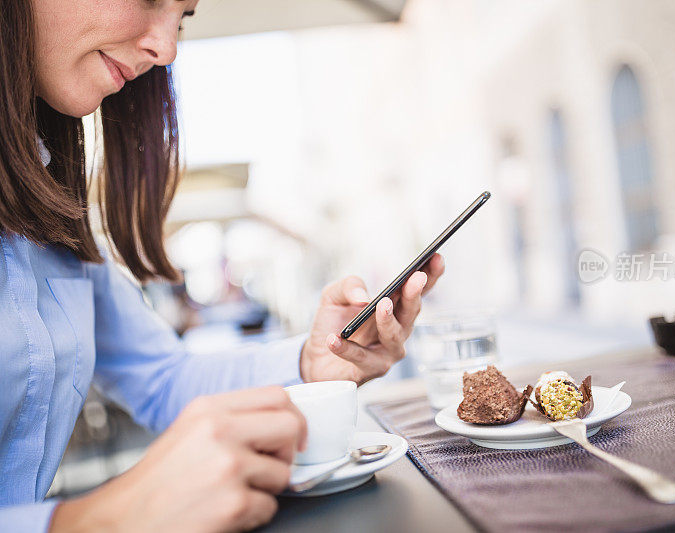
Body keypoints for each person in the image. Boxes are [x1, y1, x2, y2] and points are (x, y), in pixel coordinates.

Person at [0, 1, 445, 531]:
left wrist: (312, 365)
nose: (165, 49)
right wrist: (97, 518)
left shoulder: (46, 203)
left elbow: (163, 379)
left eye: (182, 18)